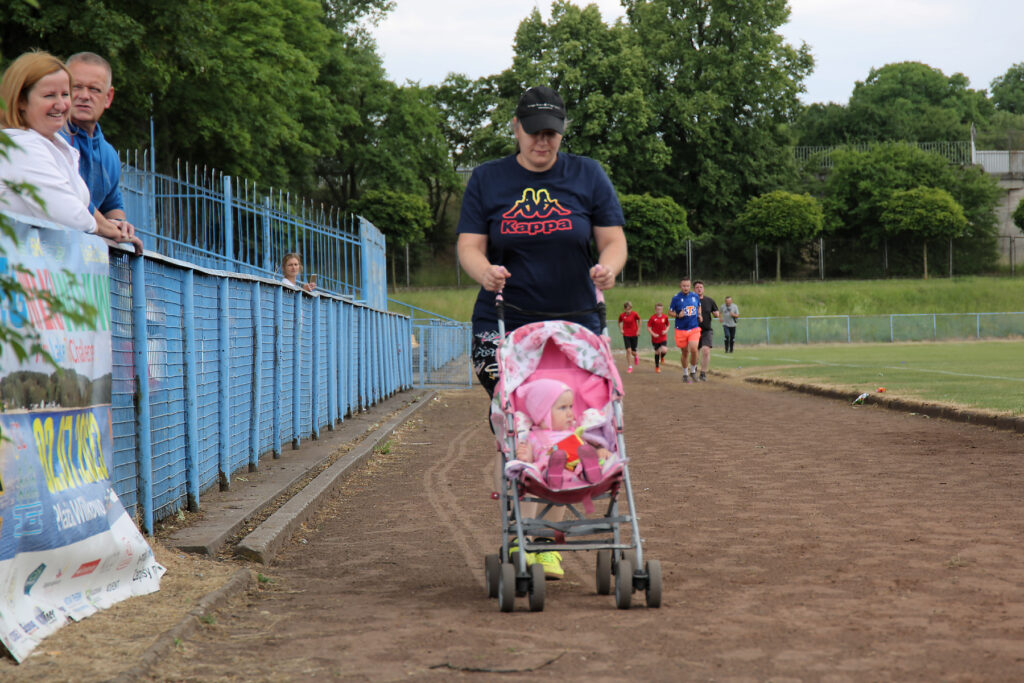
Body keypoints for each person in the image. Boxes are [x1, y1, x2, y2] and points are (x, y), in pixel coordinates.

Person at [457, 85, 627, 579]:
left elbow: (612, 240)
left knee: (572, 423)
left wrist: (608, 268)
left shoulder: (587, 174)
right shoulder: (488, 179)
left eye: (552, 133)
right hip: (505, 324)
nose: (543, 142)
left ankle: (545, 538)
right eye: (534, 133)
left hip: (576, 328)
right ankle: (523, 538)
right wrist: (484, 270)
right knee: (516, 425)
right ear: (516, 128)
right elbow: (469, 245)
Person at [0, 51, 142, 253]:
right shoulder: (20, 147)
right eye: (49, 95)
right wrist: (109, 231)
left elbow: (97, 204)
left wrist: (116, 225)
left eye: (65, 94)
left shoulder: (57, 145)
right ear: (21, 100)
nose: (61, 104)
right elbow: (70, 212)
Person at [511, 378, 611, 579]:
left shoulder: (574, 433)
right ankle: (557, 469)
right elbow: (528, 460)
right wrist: (524, 456)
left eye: (571, 407)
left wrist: (599, 451)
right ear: (542, 413)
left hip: (575, 475)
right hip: (545, 476)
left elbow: (588, 447)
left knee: (583, 455)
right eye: (562, 408)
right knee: (549, 465)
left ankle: (589, 469)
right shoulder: (534, 436)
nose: (569, 413)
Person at [61, 52, 134, 240]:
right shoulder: (50, 139)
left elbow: (112, 205)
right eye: (76, 87)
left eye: (94, 89)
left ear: (108, 97)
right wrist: (109, 229)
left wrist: (120, 224)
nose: (84, 96)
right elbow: (70, 200)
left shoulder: (109, 156)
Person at [669, 277, 701, 384]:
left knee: (694, 349)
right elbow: (670, 312)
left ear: (690, 286)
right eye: (684, 286)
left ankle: (693, 371)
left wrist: (699, 315)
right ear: (680, 286)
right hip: (681, 329)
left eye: (687, 286)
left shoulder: (695, 296)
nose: (685, 288)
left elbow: (699, 306)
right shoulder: (676, 298)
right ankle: (685, 373)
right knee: (685, 352)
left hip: (694, 328)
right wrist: (678, 315)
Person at [694, 280, 719, 382]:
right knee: (695, 352)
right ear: (694, 289)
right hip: (694, 330)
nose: (699, 289)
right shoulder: (691, 301)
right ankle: (693, 369)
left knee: (706, 350)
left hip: (706, 330)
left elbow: (716, 312)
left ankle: (703, 373)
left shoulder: (710, 301)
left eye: (701, 287)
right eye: (697, 287)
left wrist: (717, 314)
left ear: (703, 289)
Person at [617, 301, 641, 373]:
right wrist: (621, 329)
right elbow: (619, 322)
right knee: (628, 350)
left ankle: (636, 355)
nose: (629, 311)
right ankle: (630, 366)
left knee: (633, 352)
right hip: (626, 334)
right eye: (627, 309)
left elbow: (639, 320)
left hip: (634, 334)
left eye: (630, 309)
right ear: (625, 309)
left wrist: (638, 330)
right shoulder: (622, 315)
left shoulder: (634, 314)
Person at [647, 302, 669, 373]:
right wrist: (653, 334)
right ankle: (657, 367)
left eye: (660, 309)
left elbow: (668, 325)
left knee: (664, 350)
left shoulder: (665, 317)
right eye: (658, 309)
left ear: (662, 310)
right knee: (657, 352)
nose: (659, 311)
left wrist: (666, 331)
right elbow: (649, 327)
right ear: (655, 310)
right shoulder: (652, 318)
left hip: (663, 337)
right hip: (655, 338)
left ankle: (662, 357)